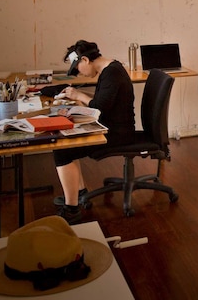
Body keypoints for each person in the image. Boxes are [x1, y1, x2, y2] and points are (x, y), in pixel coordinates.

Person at [52, 40, 136, 224]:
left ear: (85, 59)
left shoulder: (112, 72)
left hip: (118, 134)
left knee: (62, 149)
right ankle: (78, 193)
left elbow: (99, 107)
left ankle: (72, 209)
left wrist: (77, 96)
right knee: (67, 139)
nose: (80, 73)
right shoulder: (109, 69)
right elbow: (103, 102)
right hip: (112, 127)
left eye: (78, 68)